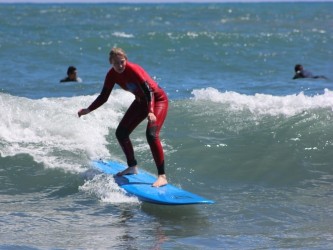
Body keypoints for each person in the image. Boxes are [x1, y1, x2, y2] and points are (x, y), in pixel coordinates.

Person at [78, 48, 169, 187]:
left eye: (122, 62)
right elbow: (104, 96)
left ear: (126, 60)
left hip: (157, 100)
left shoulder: (133, 69)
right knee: (121, 133)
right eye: (116, 63)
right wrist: (88, 109)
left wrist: (150, 111)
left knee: (151, 135)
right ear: (111, 63)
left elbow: (148, 91)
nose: (120, 66)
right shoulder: (111, 75)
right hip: (140, 101)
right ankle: (132, 167)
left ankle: (162, 176)